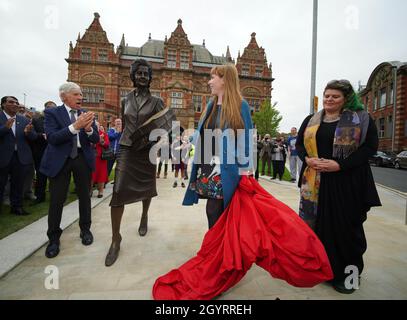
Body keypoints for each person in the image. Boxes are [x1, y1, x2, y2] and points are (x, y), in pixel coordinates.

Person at [153, 64, 333, 300]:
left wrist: (246, 172)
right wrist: (185, 141)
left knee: (218, 211)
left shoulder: (240, 106)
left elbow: (247, 139)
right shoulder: (209, 105)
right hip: (208, 167)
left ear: (224, 80)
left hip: (227, 169)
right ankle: (216, 256)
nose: (209, 81)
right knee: (214, 212)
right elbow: (202, 133)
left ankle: (220, 261)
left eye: (213, 77)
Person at [296, 79, 381, 294]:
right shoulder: (311, 120)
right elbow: (299, 145)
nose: (329, 100)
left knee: (347, 230)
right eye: (326, 95)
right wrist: (307, 159)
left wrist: (339, 165)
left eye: (335, 96)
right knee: (320, 227)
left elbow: (369, 149)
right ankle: (328, 271)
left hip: (347, 181)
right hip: (315, 182)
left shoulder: (361, 119)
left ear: (345, 99)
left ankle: (350, 276)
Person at [104, 59, 175, 267]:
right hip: (127, 148)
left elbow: (167, 125)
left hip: (146, 150)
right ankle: (115, 239)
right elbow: (125, 124)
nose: (142, 76)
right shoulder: (125, 100)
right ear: (133, 76)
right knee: (117, 192)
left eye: (146, 73)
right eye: (139, 73)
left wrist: (151, 139)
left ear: (150, 77)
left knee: (147, 186)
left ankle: (144, 216)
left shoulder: (157, 102)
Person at [40, 82, 99, 259]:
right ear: (63, 96)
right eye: (76, 94)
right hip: (61, 160)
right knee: (57, 200)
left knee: (84, 197)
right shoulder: (52, 113)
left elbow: (95, 138)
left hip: (82, 158)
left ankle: (85, 230)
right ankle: (53, 239)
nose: (81, 97)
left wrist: (88, 130)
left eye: (81, 94)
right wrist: (76, 127)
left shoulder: (86, 113)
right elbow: (52, 138)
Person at [0, 96, 38, 215]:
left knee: (18, 183)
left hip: (20, 157)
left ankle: (17, 207)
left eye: (16, 102)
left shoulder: (24, 120)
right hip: (3, 156)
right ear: (3, 104)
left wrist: (28, 133)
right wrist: (5, 128)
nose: (15, 104)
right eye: (11, 102)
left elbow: (34, 137)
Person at [30, 101, 57, 205]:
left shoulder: (58, 121)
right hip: (40, 152)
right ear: (45, 109)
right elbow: (31, 135)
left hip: (55, 153)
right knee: (41, 176)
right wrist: (42, 135)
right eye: (49, 107)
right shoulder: (36, 120)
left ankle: (55, 197)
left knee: (55, 176)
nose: (51, 109)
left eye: (53, 108)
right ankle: (40, 197)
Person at [92, 123, 110, 198]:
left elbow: (107, 145)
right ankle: (90, 191)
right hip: (92, 158)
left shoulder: (103, 134)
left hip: (101, 158)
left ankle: (100, 191)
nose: (96, 126)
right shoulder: (90, 133)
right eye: (95, 125)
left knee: (101, 175)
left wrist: (101, 140)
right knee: (91, 175)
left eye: (98, 125)